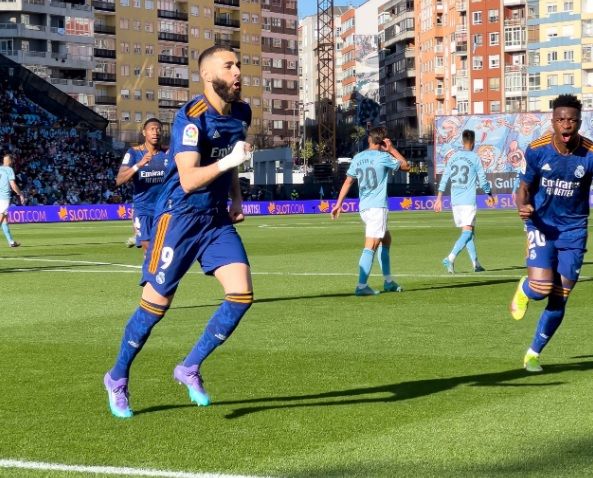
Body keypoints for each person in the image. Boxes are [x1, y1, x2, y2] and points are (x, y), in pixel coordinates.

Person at [103, 45, 254, 418]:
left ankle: (189, 367)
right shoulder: (191, 117)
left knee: (241, 294)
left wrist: (236, 199)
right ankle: (117, 376)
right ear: (207, 75)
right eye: (229, 66)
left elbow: (228, 161)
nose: (238, 72)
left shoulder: (242, 113)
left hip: (215, 219)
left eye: (239, 65)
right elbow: (188, 180)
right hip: (179, 218)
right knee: (155, 309)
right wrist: (231, 161)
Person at [510, 94, 593, 372]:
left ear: (579, 122)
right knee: (541, 289)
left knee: (560, 296)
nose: (566, 125)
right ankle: (525, 289)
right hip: (541, 224)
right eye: (561, 119)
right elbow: (523, 187)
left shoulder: (590, 153)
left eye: (571, 120)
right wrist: (523, 205)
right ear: (553, 122)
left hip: (574, 229)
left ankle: (533, 353)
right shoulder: (537, 149)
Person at [331, 126, 410, 295]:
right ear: (382, 142)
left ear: (368, 139)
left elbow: (348, 182)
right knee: (372, 244)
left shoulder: (358, 157)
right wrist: (392, 150)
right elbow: (406, 166)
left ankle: (388, 281)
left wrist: (338, 204)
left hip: (365, 207)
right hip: (377, 207)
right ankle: (361, 286)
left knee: (386, 239)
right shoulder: (383, 157)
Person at [434, 129, 494, 273]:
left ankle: (476, 263)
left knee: (469, 231)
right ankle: (450, 257)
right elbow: (483, 179)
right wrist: (489, 194)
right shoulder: (474, 158)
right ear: (473, 143)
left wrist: (439, 199)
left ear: (462, 141)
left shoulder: (453, 157)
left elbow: (445, 178)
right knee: (467, 232)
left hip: (455, 201)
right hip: (468, 200)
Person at [116, 118, 168, 251]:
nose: (155, 132)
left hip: (165, 209)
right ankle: (139, 237)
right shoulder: (134, 152)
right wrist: (138, 165)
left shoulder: (168, 153)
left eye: (158, 129)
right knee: (149, 250)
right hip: (143, 209)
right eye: (152, 129)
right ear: (144, 132)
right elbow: (119, 180)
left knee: (164, 249)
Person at [0, 154, 25, 247]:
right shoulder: (9, 170)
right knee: (1, 219)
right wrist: (20, 194)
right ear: (9, 161)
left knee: (4, 221)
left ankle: (11, 242)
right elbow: (13, 185)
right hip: (4, 198)